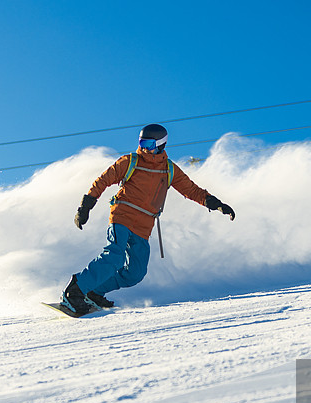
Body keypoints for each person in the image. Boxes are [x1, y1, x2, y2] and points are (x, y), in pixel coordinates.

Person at [60, 123, 235, 314]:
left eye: (150, 144)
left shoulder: (169, 169)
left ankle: (94, 291)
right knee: (115, 256)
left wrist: (216, 204)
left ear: (161, 145)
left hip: (144, 226)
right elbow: (102, 181)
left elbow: (191, 190)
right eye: (142, 143)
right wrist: (85, 206)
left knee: (135, 274)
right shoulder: (130, 161)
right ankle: (75, 290)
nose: (144, 148)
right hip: (122, 216)